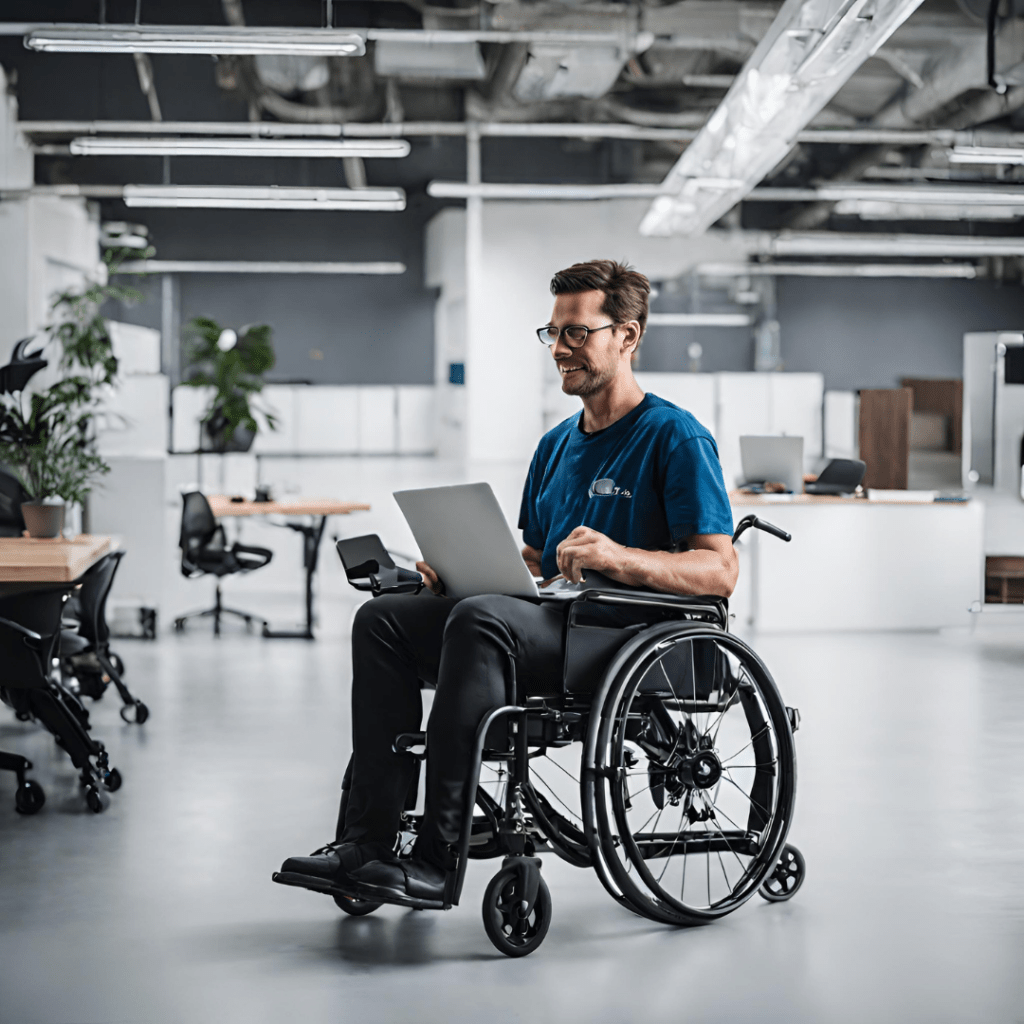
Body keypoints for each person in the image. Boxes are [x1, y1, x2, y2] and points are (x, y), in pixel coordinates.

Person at [274, 259, 737, 908]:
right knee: (384, 620)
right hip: (558, 623)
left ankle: (438, 861)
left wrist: (618, 555)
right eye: (553, 334)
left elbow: (719, 570)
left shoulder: (674, 437)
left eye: (577, 333)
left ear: (626, 337)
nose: (561, 351)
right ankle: (369, 841)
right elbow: (532, 560)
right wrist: (457, 572)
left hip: (630, 635)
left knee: (482, 620)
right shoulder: (554, 447)